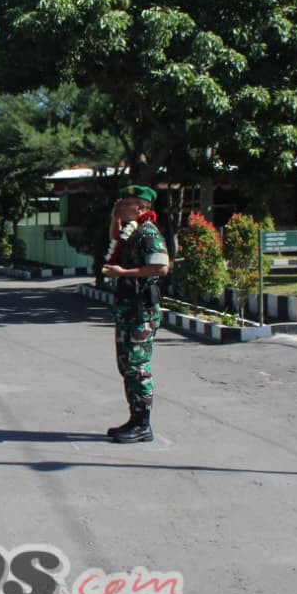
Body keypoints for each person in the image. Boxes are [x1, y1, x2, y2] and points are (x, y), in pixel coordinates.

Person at [100, 185, 171, 444]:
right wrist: (114, 217)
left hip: (141, 310)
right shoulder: (132, 231)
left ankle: (143, 425)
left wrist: (123, 273)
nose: (122, 206)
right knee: (127, 365)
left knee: (138, 367)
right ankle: (135, 419)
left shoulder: (149, 232)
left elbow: (161, 267)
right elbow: (116, 240)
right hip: (128, 309)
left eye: (126, 204)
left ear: (142, 208)